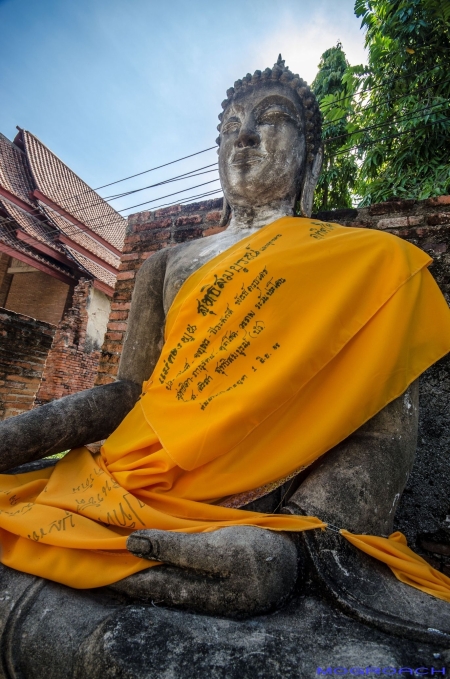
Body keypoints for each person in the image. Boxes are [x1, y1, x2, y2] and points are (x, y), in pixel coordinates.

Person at [0, 57, 449, 620]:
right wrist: (13, 439)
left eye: (272, 117)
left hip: (258, 512)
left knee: (258, 573)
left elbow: (381, 434)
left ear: (309, 161)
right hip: (119, 480)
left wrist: (298, 540)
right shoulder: (165, 264)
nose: (247, 135)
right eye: (230, 125)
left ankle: (267, 559)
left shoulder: (371, 263)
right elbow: (128, 394)